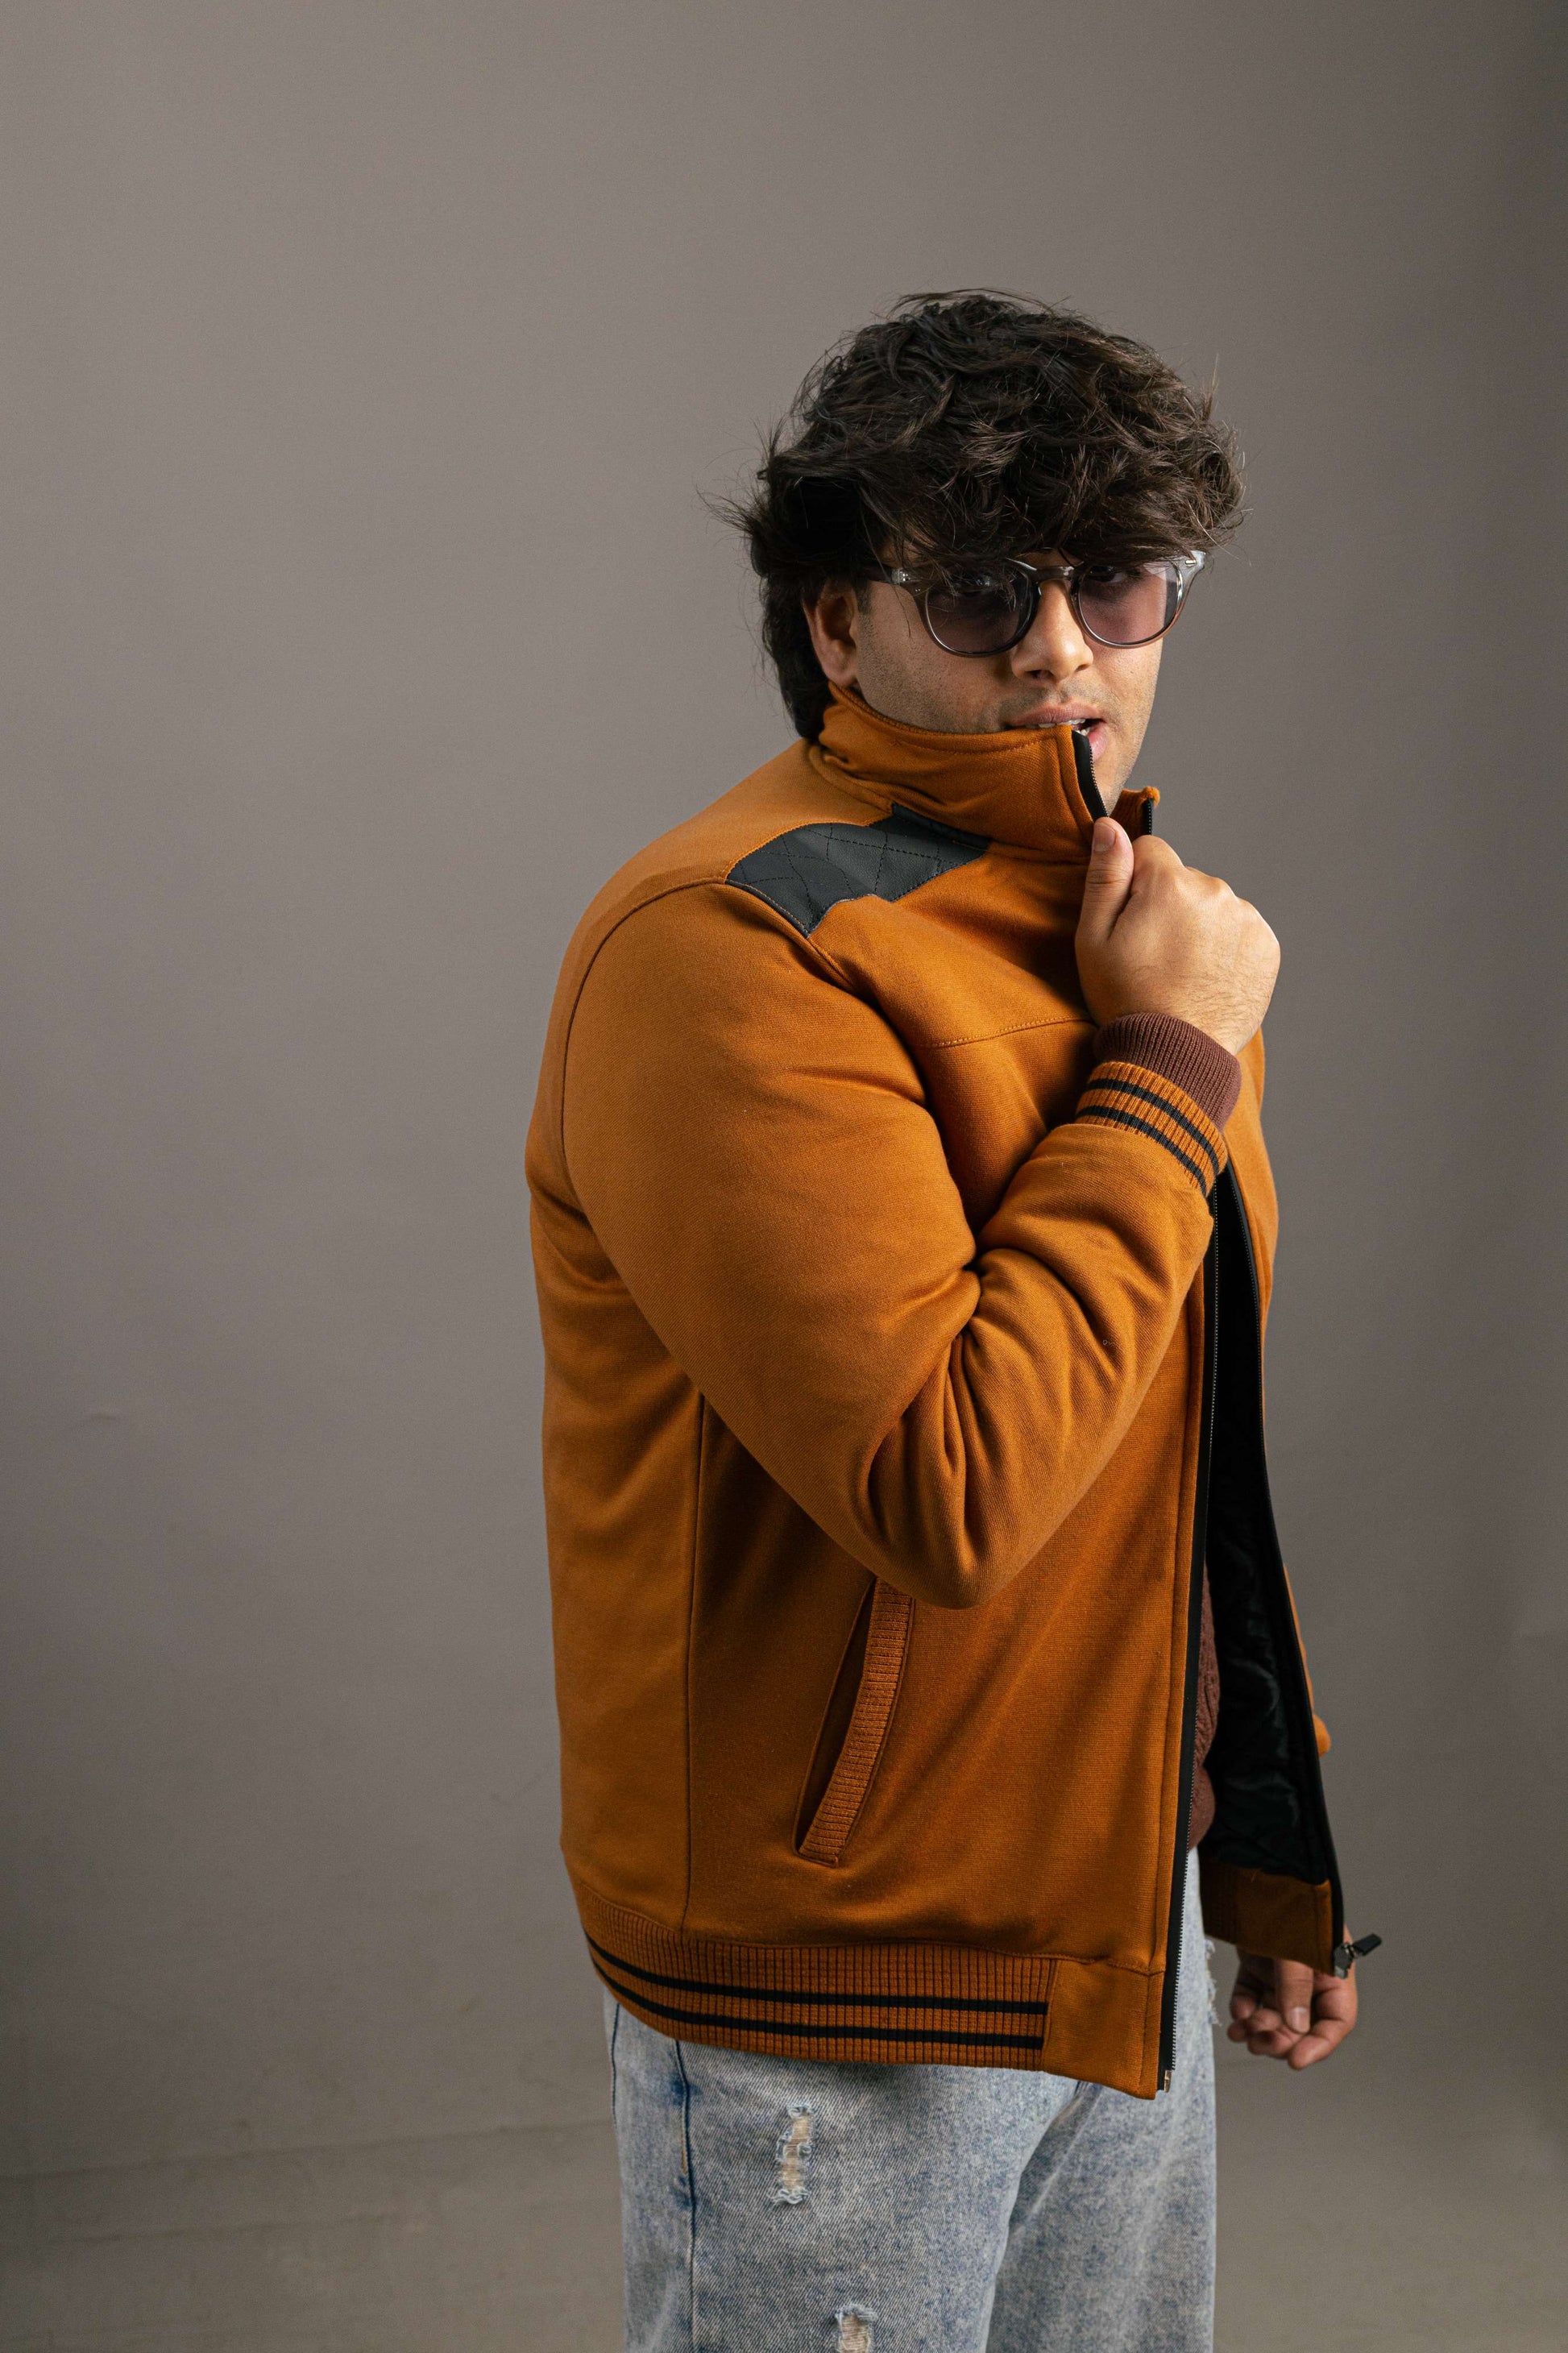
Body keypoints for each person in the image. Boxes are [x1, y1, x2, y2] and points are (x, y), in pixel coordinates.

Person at [527, 292, 1373, 2353]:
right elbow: (952, 1488)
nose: (1062, 651)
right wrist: (1171, 1066)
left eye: (1119, 580)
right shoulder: (731, 945)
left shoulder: (1127, 930)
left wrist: (1259, 1848)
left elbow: (1179, 1447)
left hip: (1109, 1917)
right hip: (846, 1987)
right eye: (985, 591)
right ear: (838, 621)